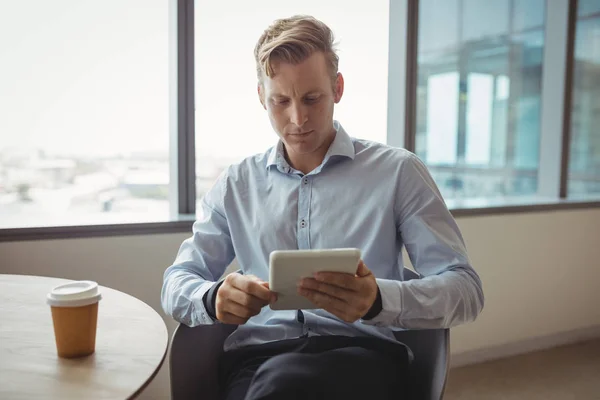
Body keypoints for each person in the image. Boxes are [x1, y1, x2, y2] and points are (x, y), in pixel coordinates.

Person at [162, 14, 484, 400]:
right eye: (280, 101)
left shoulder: (398, 172)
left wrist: (379, 300)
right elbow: (177, 281)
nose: (297, 119)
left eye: (312, 98)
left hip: (363, 358)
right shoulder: (235, 184)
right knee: (279, 384)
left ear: (337, 87)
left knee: (285, 387)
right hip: (256, 363)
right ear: (261, 97)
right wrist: (213, 298)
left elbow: (465, 291)